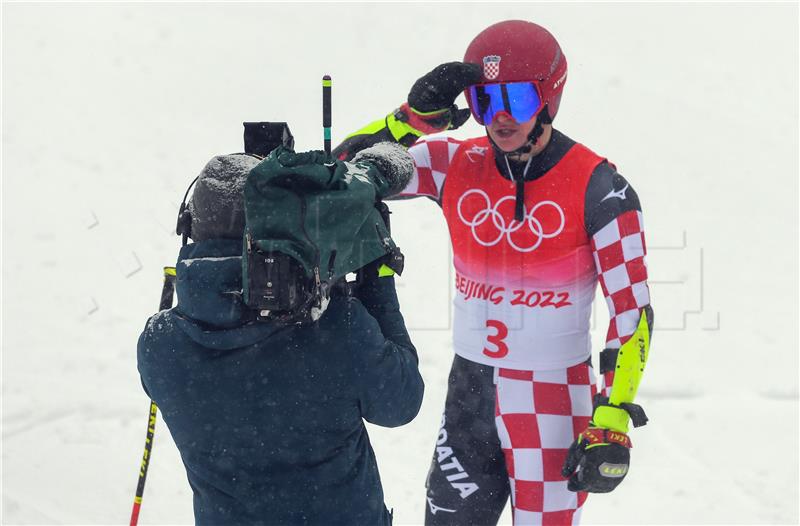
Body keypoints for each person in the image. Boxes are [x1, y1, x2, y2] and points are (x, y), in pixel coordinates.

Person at [334, 19, 654, 526]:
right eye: (485, 102)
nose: (500, 117)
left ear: (550, 98)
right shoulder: (453, 162)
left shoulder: (600, 187)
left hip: (552, 400)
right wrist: (412, 120)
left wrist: (613, 413)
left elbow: (632, 308)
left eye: (518, 101)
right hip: (470, 396)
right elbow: (342, 177)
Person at [137, 148, 424, 526]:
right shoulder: (336, 327)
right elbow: (400, 403)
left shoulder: (160, 345)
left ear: (189, 228)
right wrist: (377, 283)